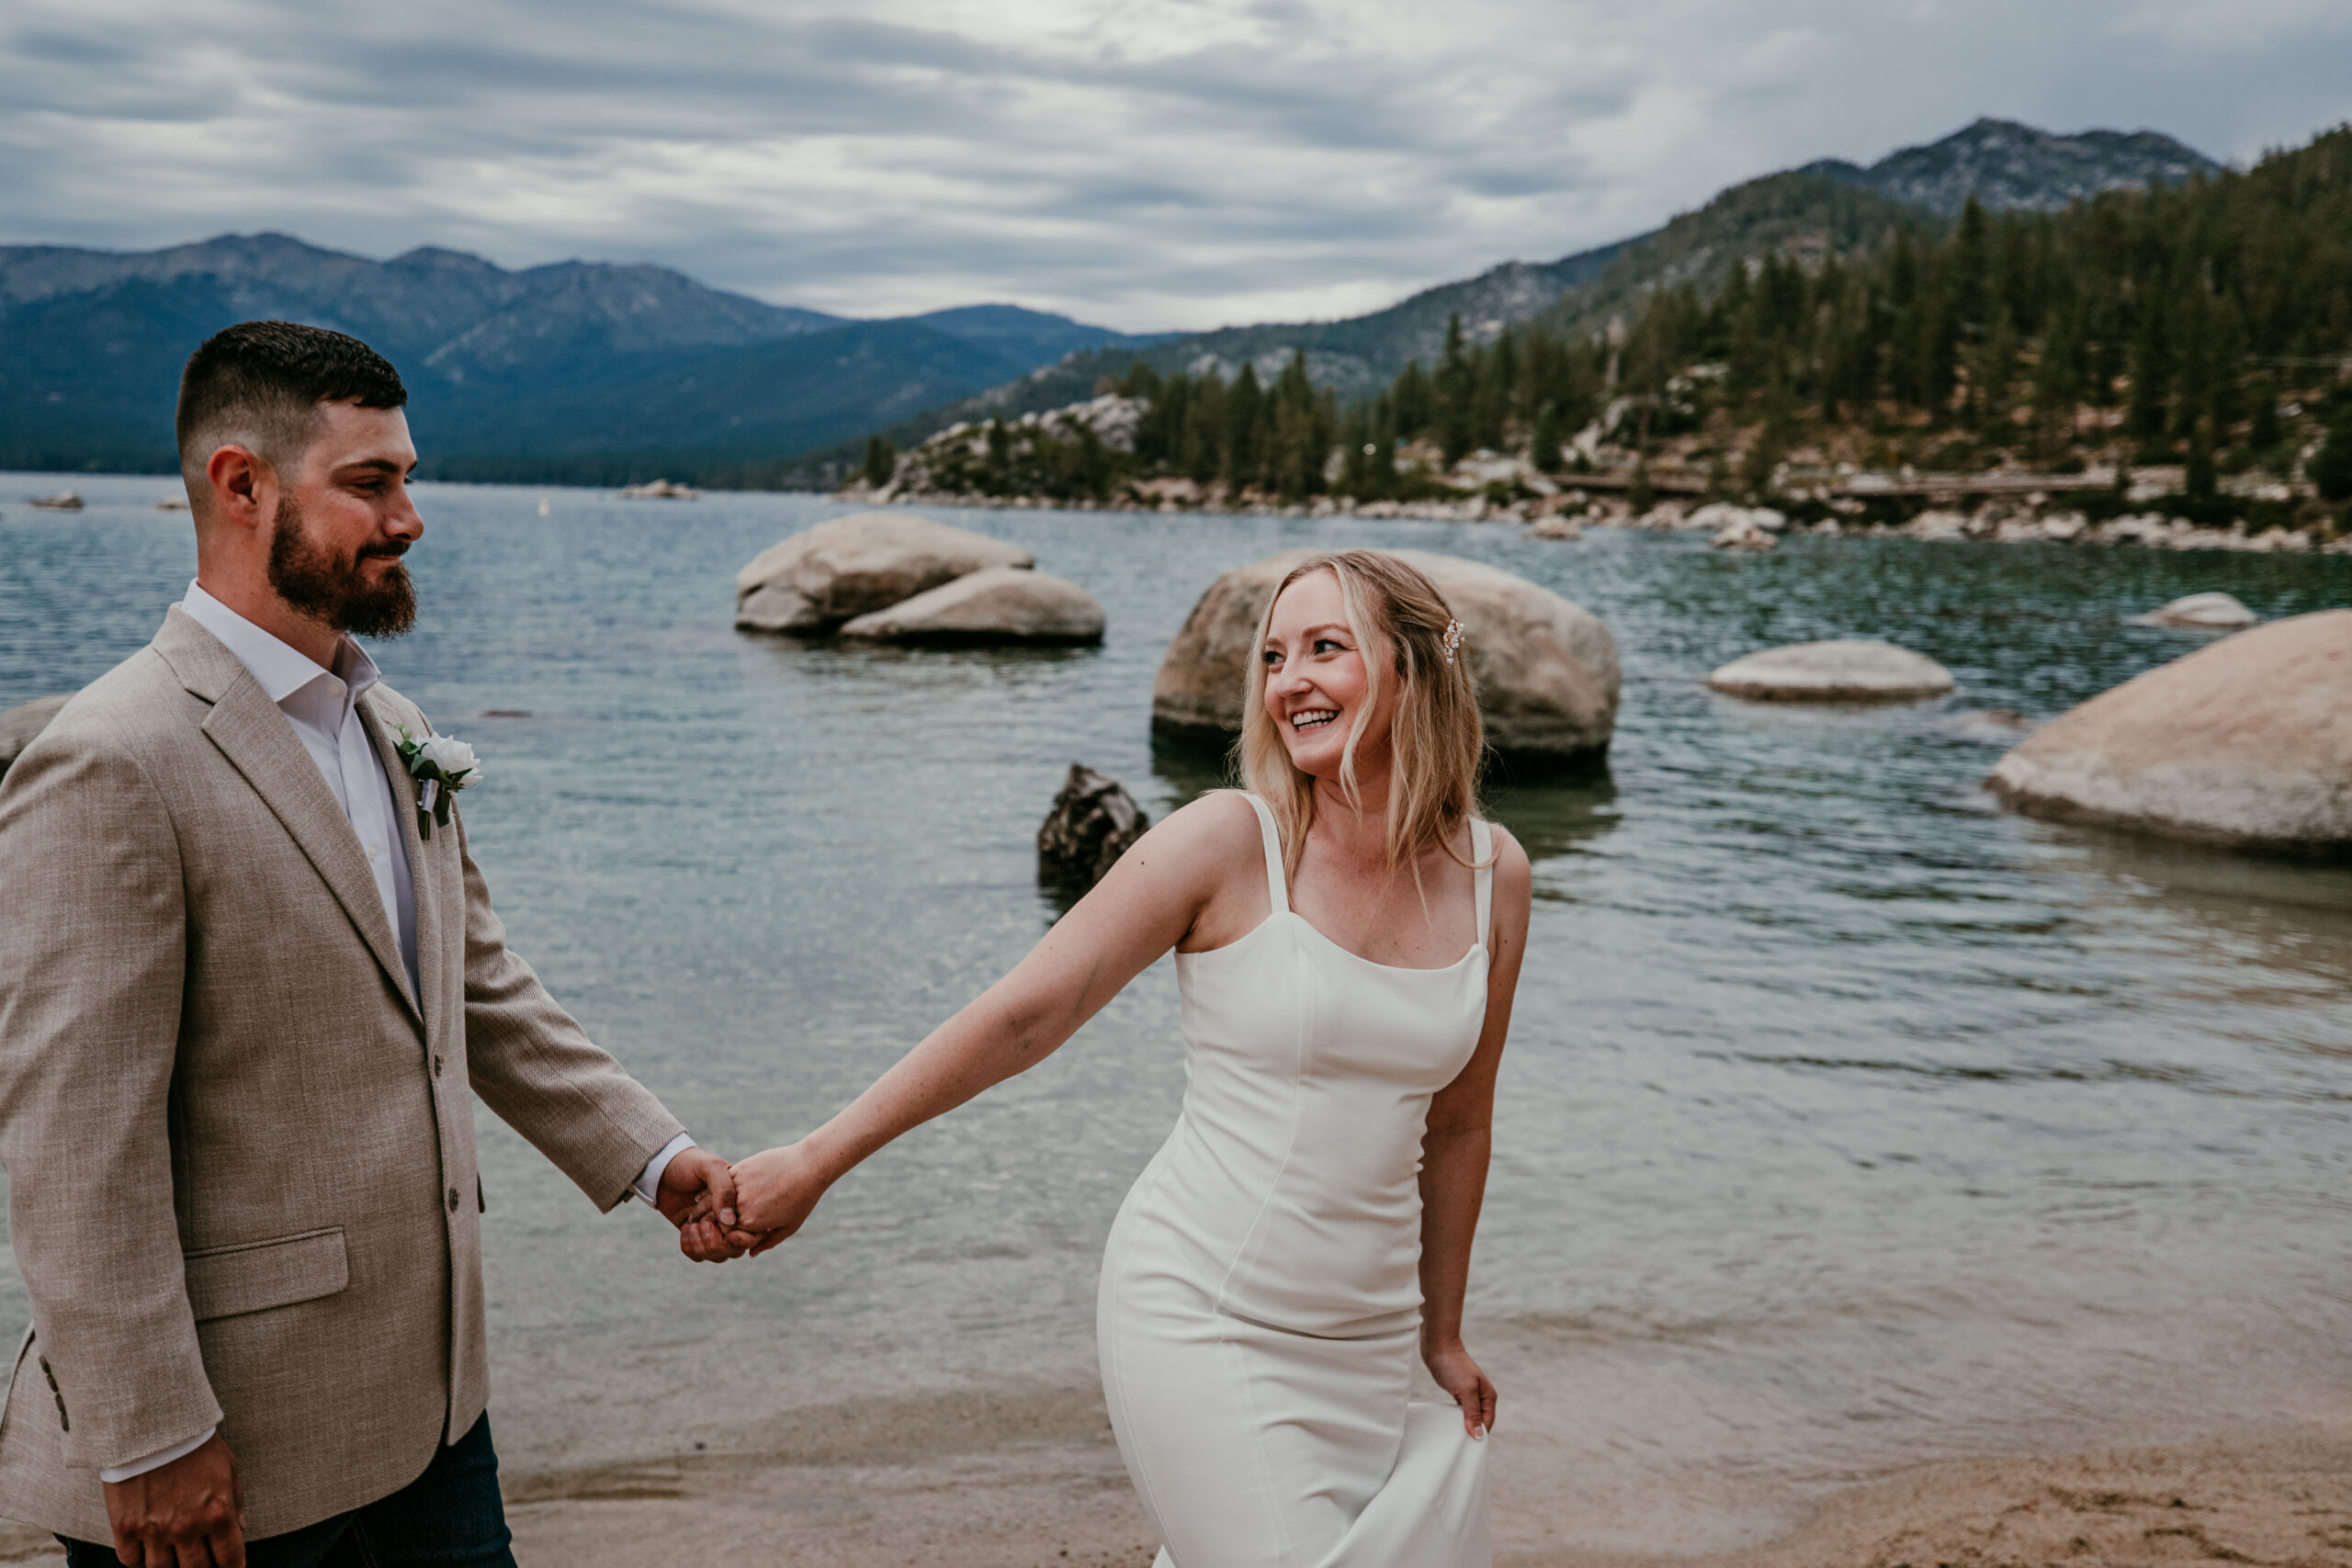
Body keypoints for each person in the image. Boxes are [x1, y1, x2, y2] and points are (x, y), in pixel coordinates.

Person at [0, 321, 758, 1568]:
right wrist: (146, 1436)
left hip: (434, 1417)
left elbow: (476, 987)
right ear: (241, 484)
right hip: (224, 1452)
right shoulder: (112, 759)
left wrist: (654, 1155)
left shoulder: (388, 721)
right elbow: (76, 1138)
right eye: (371, 483)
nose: (409, 517)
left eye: (407, 477)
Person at [716, 548, 1532, 1566]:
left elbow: (1460, 1122)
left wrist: (1440, 1333)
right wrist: (816, 1159)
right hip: (1202, 1309)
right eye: (1274, 658)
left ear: (1414, 669)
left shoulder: (1494, 874)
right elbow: (1027, 1015)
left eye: (1327, 648)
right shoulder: (1228, 842)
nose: (1289, 683)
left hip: (1365, 1339)